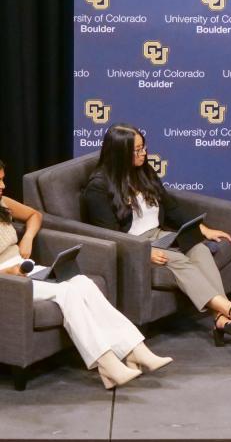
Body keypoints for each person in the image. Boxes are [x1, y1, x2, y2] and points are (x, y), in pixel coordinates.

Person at [0, 159, 172, 389]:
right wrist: (7, 271)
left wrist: (28, 238)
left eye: (2, 179)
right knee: (67, 293)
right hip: (8, 280)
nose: (3, 185)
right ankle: (107, 364)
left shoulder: (2, 202)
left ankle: (134, 349)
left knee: (82, 281)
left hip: (25, 267)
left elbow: (34, 215)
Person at [82, 123, 231, 346]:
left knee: (200, 248)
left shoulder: (144, 170)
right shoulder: (98, 187)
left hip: (161, 235)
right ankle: (229, 309)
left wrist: (204, 230)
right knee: (181, 261)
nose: (143, 153)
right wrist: (144, 252)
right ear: (120, 153)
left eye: (143, 147)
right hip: (136, 243)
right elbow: (109, 234)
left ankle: (219, 318)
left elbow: (171, 207)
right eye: (137, 150)